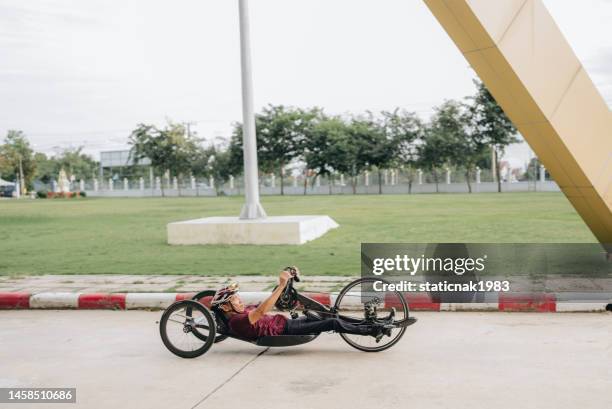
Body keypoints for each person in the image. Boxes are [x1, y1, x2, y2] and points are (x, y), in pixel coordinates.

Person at [211, 267, 393, 342]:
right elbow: (262, 310)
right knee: (332, 323)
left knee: (330, 316)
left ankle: (375, 322)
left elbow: (266, 303)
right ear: (226, 307)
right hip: (286, 330)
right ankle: (374, 330)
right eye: (235, 299)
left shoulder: (241, 313)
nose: (240, 300)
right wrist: (281, 285)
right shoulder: (237, 322)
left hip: (286, 323)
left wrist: (286, 281)